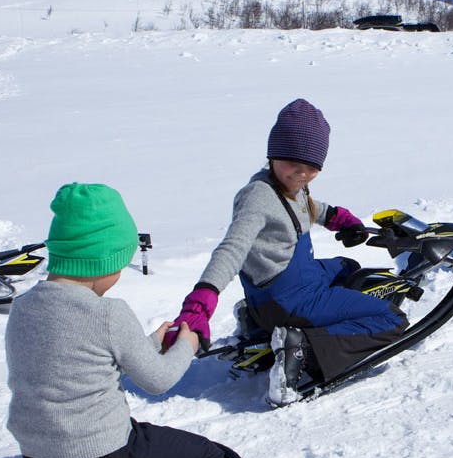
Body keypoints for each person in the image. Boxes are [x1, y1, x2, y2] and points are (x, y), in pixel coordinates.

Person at [5, 183, 227, 458]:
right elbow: (158, 380)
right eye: (119, 264)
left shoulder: (24, 308)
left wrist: (152, 343)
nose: (120, 273)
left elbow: (79, 366)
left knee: (121, 453)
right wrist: (187, 345)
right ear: (102, 261)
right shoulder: (108, 312)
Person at [171, 99, 408, 406]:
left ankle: (257, 323)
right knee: (391, 319)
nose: (302, 174)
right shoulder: (258, 198)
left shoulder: (286, 184)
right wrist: (200, 303)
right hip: (290, 299)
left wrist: (337, 218)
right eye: (294, 164)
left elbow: (306, 206)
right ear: (274, 155)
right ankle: (302, 348)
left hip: (284, 285)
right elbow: (233, 248)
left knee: (347, 266)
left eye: (312, 168)